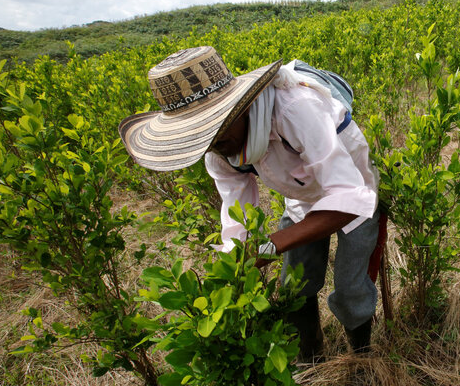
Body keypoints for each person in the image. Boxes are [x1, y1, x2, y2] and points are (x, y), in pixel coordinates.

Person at [118, 46, 380, 363]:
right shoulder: (219, 151)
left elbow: (349, 199)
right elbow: (236, 220)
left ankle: (363, 360)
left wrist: (268, 248)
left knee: (352, 289)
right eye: (202, 135)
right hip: (302, 199)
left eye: (216, 127)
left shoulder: (296, 108)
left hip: (354, 189)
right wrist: (235, 267)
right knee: (295, 289)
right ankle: (310, 360)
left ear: (241, 107)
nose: (212, 144)